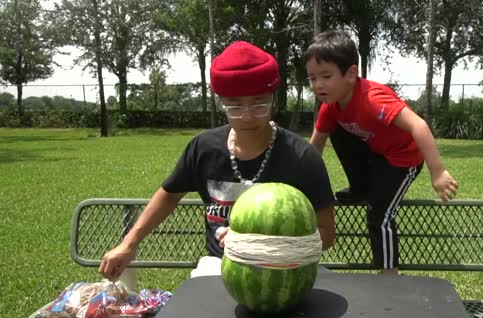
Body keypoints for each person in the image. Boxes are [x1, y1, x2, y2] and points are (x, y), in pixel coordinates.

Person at [99, 41, 336, 280]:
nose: (247, 116)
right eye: (235, 106)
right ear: (221, 102)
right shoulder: (204, 148)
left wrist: (258, 243)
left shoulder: (302, 156)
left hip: (290, 268)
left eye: (259, 103)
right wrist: (129, 243)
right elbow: (169, 195)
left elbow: (326, 234)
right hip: (218, 266)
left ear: (272, 98)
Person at [305, 30, 459, 275]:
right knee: (334, 130)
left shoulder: (373, 99)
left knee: (380, 215)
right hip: (376, 153)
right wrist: (303, 181)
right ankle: (360, 188)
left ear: (351, 74)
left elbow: (418, 125)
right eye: (312, 78)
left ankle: (390, 274)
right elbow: (314, 148)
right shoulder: (330, 108)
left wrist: (438, 172)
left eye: (326, 76)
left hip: (403, 159)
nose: (318, 85)